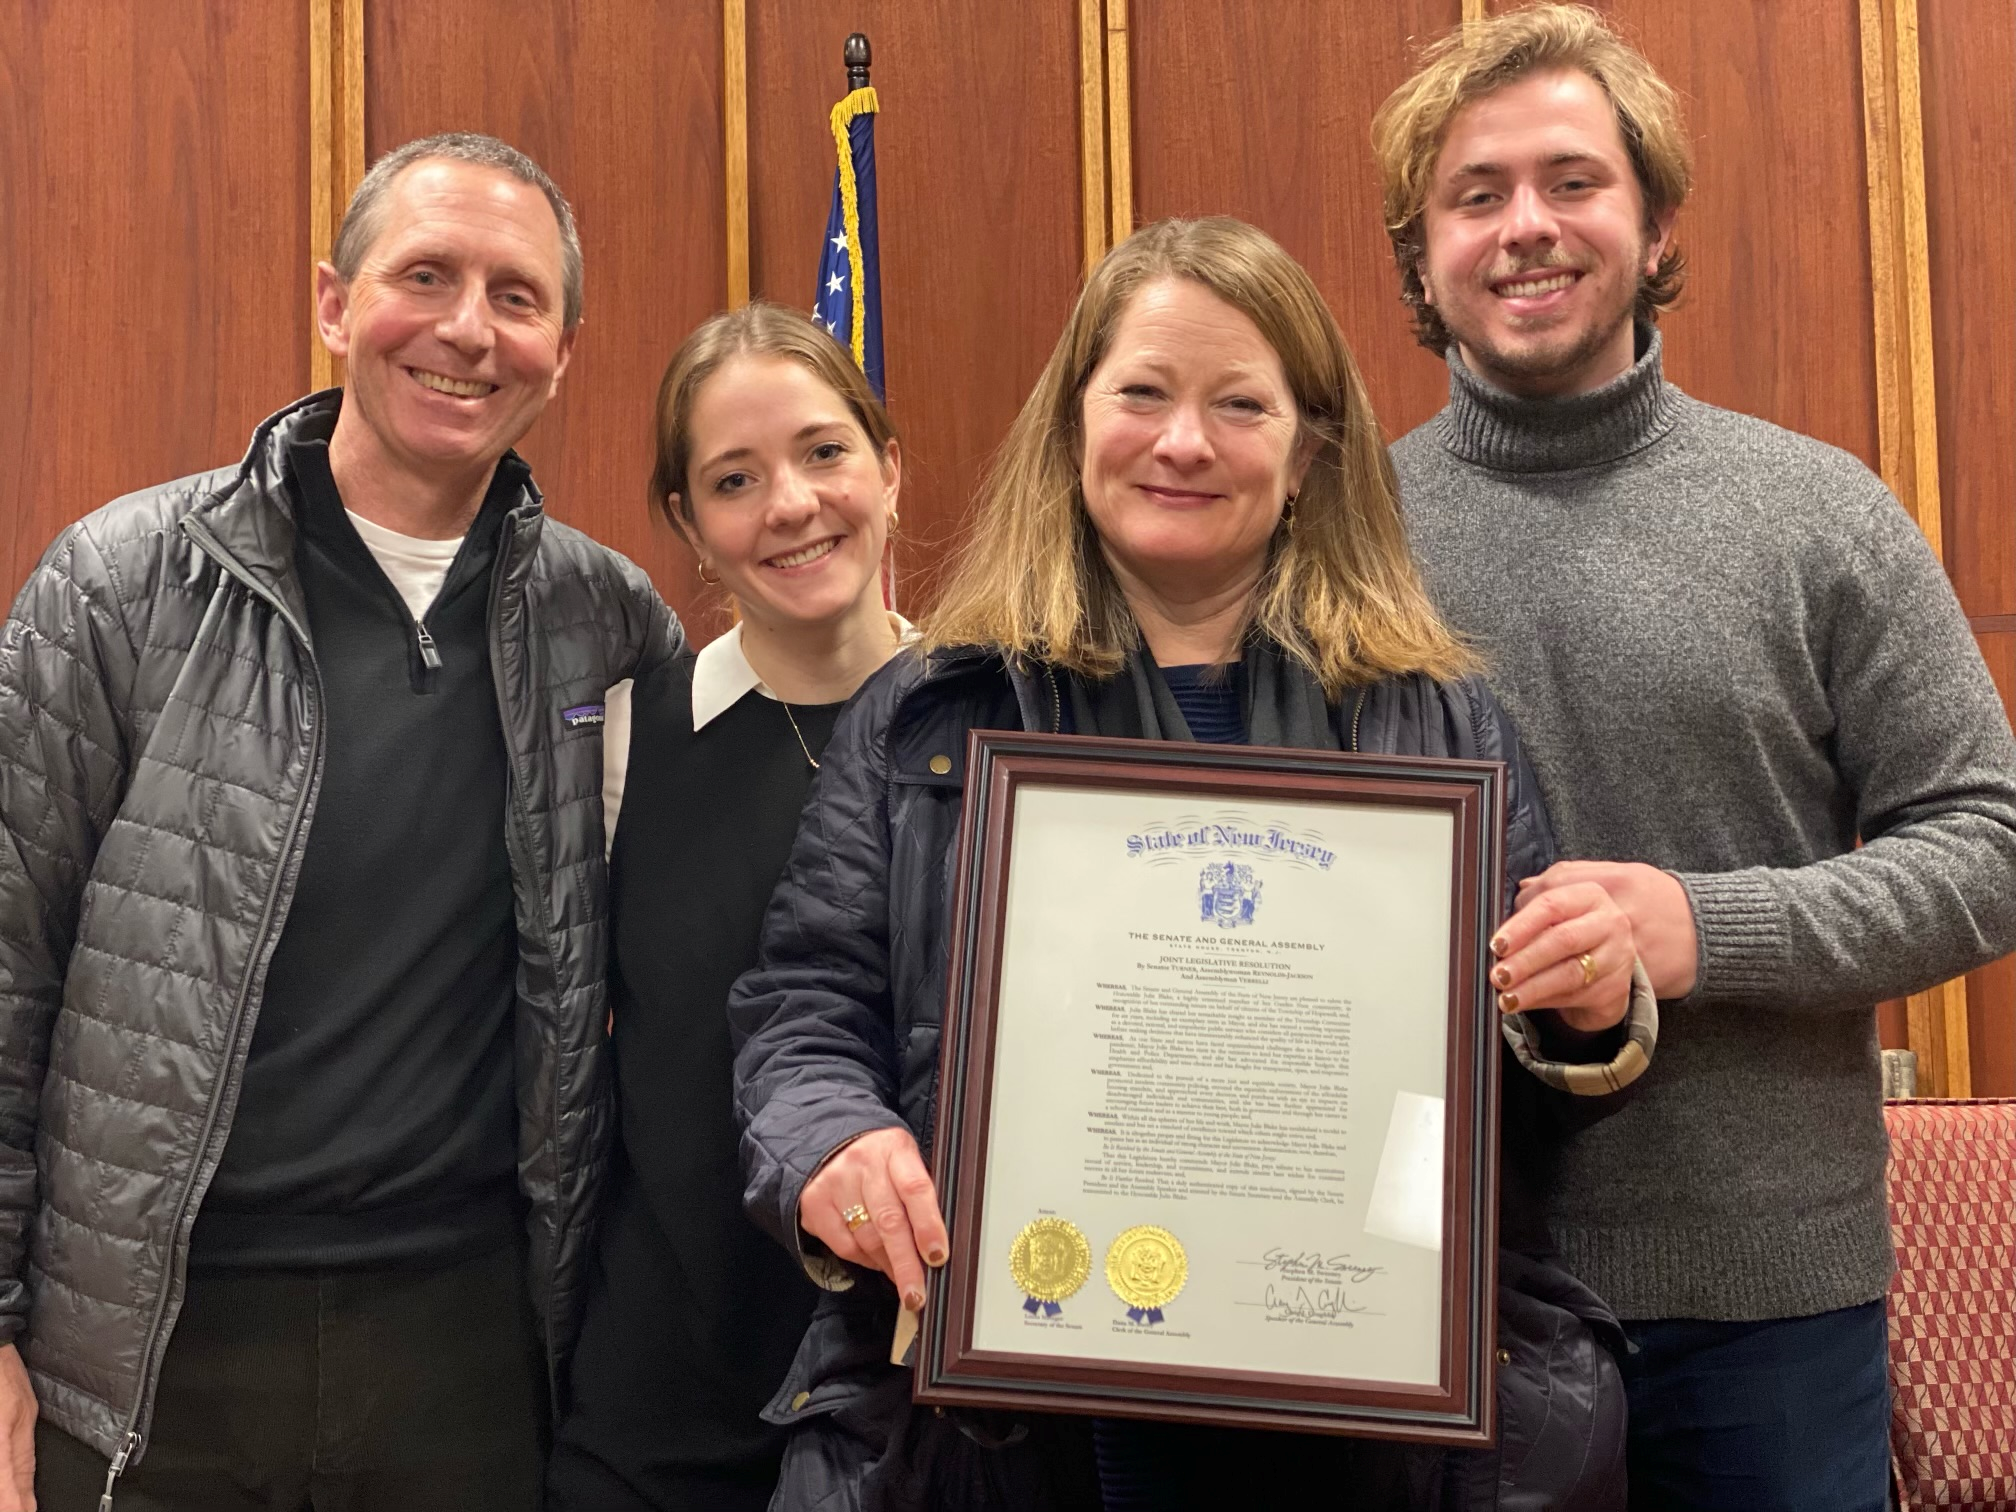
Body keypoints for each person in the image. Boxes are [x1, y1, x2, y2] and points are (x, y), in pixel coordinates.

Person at [729, 216, 1659, 1512]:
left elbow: (1524, 1115)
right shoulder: (930, 714)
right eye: (1145, 395)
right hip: (987, 1443)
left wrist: (1589, 1008)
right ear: (1074, 425)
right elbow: (803, 1007)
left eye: (1238, 403)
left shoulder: (1439, 725)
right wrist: (831, 1140)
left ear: (1308, 450)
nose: (1182, 441)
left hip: (1370, 1443)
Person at [1373, 8, 2016, 1508]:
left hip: (1767, 1313)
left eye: (1572, 181)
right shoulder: (1343, 544)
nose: (1527, 227)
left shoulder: (1820, 515)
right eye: (1478, 195)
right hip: (1430, 1291)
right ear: (1421, 257)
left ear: (1654, 220)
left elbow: (1989, 843)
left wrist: (1699, 930)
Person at [0, 132, 679, 1510]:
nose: (466, 331)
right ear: (333, 303)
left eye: (517, 296)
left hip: (470, 1354)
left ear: (566, 350)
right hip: (149, 1352)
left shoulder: (610, 629)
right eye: (424, 275)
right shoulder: (121, 589)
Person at [548, 303, 908, 1511]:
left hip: (915, 1410)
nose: (793, 506)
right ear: (688, 526)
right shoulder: (623, 741)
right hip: (664, 1411)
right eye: (735, 479)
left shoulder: (996, 729)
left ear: (888, 465)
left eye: (823, 453)